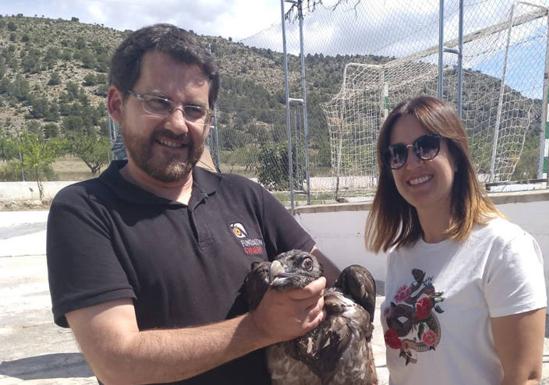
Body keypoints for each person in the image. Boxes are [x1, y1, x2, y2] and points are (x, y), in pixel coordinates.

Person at [46, 23, 340, 385]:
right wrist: (258, 328)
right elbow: (117, 362)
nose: (177, 124)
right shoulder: (85, 210)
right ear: (116, 105)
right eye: (158, 102)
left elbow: (334, 281)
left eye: (194, 110)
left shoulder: (246, 196)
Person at [365, 96, 547, 385]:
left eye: (425, 146)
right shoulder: (401, 254)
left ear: (457, 155)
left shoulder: (504, 248)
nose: (411, 163)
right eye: (397, 153)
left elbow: (524, 377)